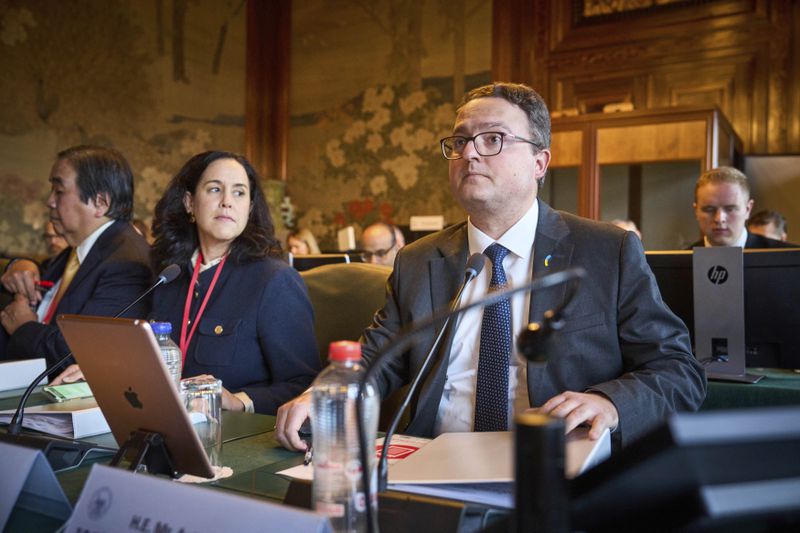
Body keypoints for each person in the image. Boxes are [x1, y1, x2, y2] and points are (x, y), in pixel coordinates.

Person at [276, 82, 706, 452]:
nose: (469, 154)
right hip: (435, 458)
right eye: (460, 141)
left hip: (556, 463)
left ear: (540, 163)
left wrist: (610, 404)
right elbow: (380, 359)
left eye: (493, 139)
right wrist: (327, 394)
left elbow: (678, 371)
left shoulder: (606, 251)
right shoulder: (419, 260)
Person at [55, 151, 321, 415]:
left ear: (249, 209)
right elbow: (150, 363)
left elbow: (304, 386)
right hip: (161, 424)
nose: (227, 201)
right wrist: (104, 370)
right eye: (215, 189)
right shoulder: (169, 275)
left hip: (233, 438)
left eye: (239, 193)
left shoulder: (275, 280)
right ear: (189, 202)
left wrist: (238, 401)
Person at [0, 145, 152, 366]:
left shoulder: (127, 263)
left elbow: (81, 351)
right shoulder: (80, 249)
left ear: (100, 202)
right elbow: (40, 279)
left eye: (59, 191)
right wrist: (19, 264)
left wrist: (23, 327)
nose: (49, 201)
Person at [689, 167, 794, 249]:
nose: (719, 219)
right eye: (709, 209)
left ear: (748, 209)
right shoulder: (677, 264)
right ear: (696, 211)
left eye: (730, 209)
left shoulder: (791, 258)